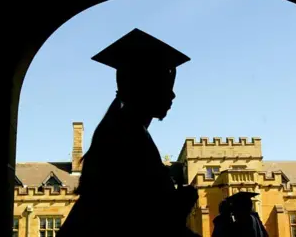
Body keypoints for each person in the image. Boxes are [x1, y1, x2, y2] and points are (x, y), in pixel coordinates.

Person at [57, 28, 199, 237]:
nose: (173, 94)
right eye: (163, 83)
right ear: (142, 86)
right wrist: (180, 203)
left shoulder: (122, 128)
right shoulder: (126, 137)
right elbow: (139, 219)